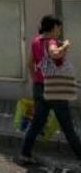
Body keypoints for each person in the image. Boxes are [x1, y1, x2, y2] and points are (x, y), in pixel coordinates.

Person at [18, 15, 81, 165]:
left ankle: (24, 154)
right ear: (53, 27)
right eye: (58, 28)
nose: (59, 31)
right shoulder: (51, 41)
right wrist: (65, 45)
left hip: (39, 88)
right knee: (67, 127)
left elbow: (29, 64)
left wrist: (37, 81)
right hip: (55, 90)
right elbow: (55, 54)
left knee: (36, 124)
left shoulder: (35, 41)